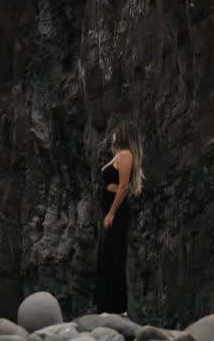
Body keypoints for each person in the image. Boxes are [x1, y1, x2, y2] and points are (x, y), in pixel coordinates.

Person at [94, 120, 145, 316]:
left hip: (116, 210)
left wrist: (112, 213)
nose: (112, 136)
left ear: (123, 135)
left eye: (115, 133)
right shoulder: (118, 155)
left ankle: (116, 308)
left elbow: (123, 187)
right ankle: (106, 305)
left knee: (114, 256)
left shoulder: (126, 155)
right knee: (106, 256)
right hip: (108, 207)